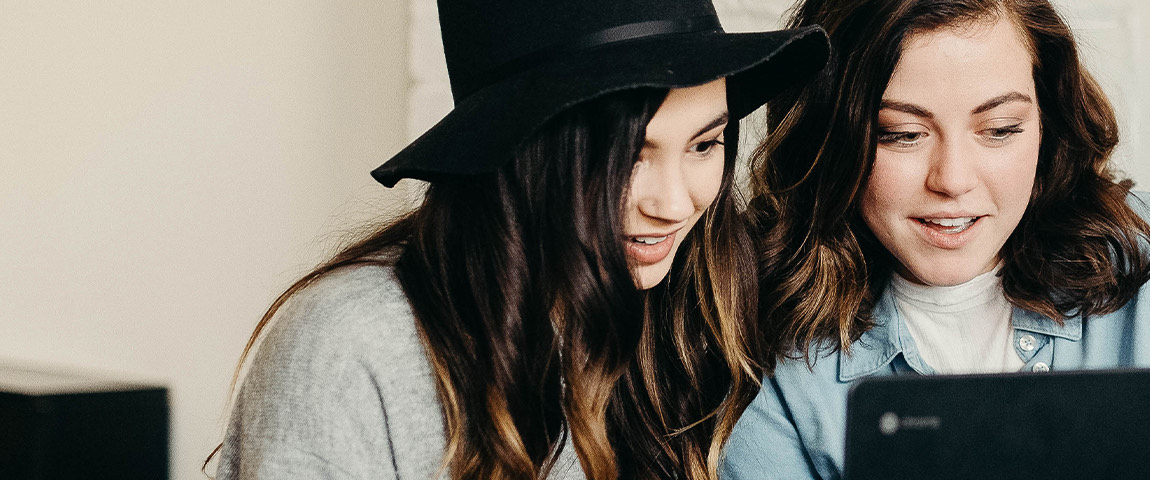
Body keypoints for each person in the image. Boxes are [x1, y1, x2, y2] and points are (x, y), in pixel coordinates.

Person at [212, 0, 826, 478]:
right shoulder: (354, 346)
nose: (673, 204)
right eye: (627, 158)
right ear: (525, 157)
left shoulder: (695, 308)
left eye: (704, 145)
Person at [721, 0, 1150, 479]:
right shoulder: (760, 322)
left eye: (999, 129)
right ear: (832, 140)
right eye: (903, 134)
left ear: (1047, 122)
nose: (953, 180)